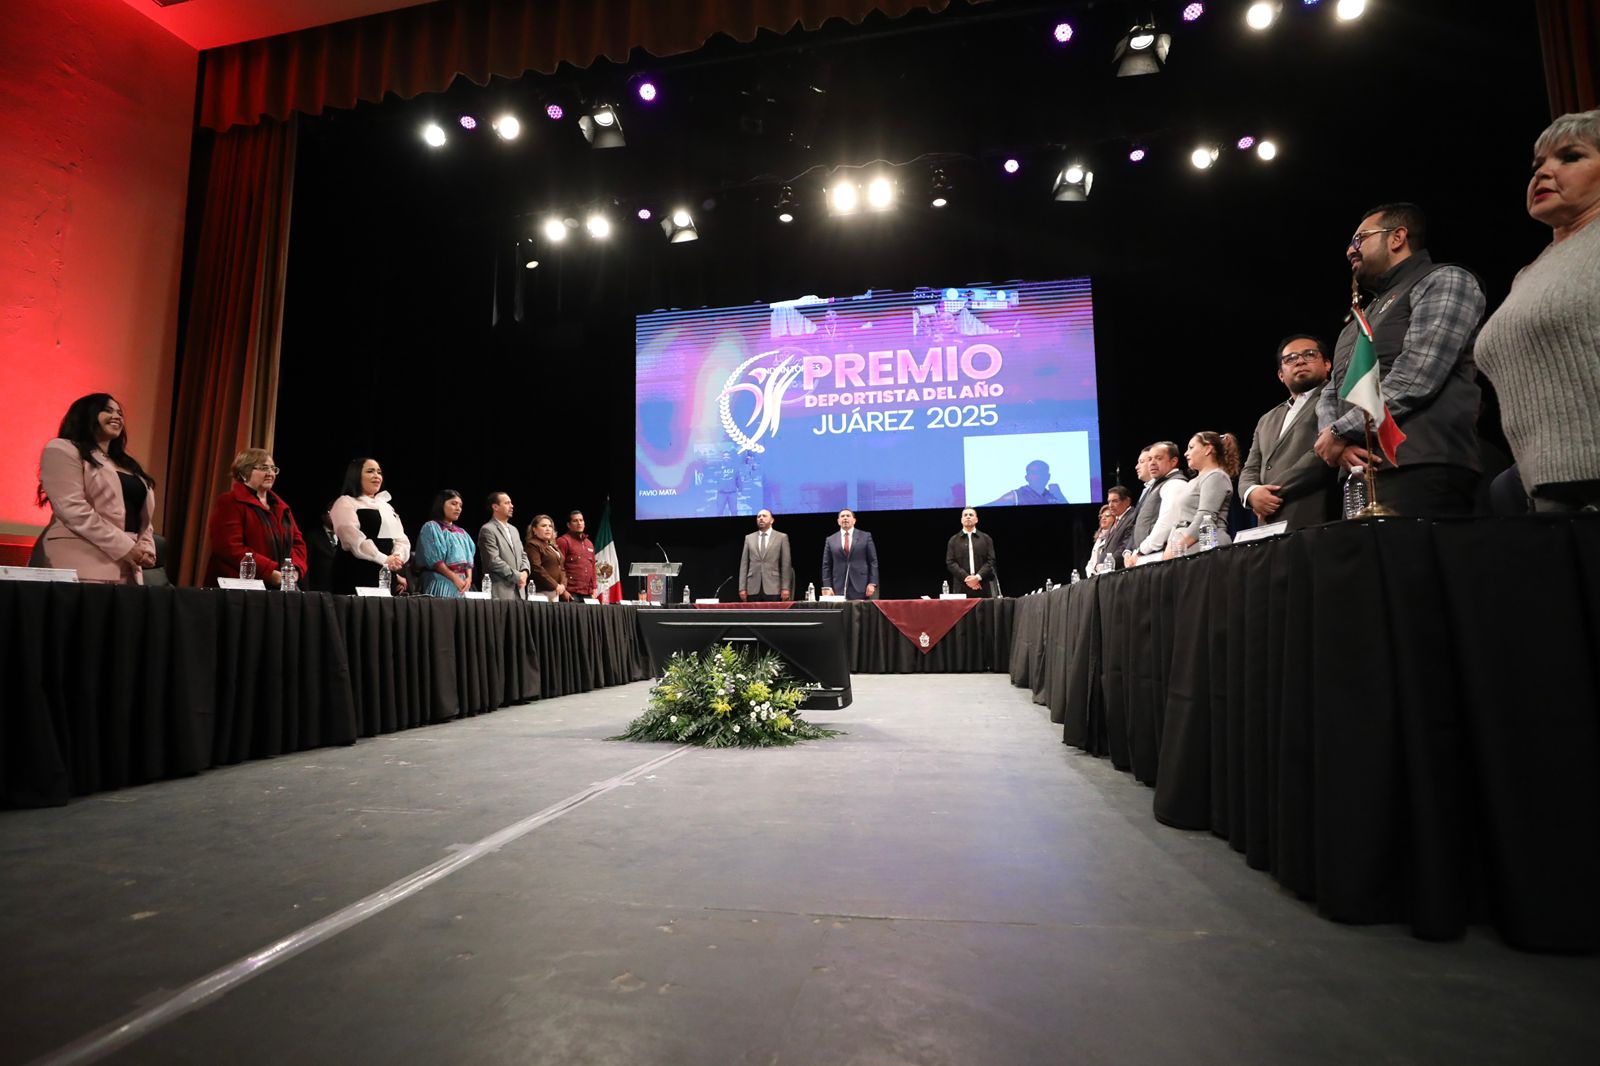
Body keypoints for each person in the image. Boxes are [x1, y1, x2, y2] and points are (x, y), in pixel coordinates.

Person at [1315, 202, 1487, 517]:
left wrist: (1340, 432)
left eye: (1360, 239)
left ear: (1397, 238)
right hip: (1358, 476)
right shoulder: (1357, 320)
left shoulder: (1445, 279)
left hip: (1421, 466)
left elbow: (1417, 376)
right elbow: (1331, 392)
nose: (1350, 250)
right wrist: (1333, 438)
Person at [1475, 110, 1600, 512]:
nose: (1543, 173)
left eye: (1570, 157)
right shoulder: (1530, 272)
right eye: (1538, 165)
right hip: (1547, 487)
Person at [35, 393, 156, 584]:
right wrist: (127, 547)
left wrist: (146, 547)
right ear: (86, 415)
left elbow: (141, 515)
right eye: (107, 410)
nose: (117, 416)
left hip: (128, 566)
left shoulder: (127, 463)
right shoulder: (62, 449)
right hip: (78, 561)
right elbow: (73, 509)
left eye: (119, 413)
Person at [1238, 334, 1339, 530]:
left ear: (1327, 364)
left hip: (1317, 517)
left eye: (1309, 354)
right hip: (1269, 523)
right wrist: (1251, 493)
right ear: (1281, 375)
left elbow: (1325, 450)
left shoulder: (1336, 398)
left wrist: (1269, 494)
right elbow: (1250, 467)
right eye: (1290, 358)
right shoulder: (1266, 419)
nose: (1300, 361)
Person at [203, 448, 308, 587]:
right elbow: (229, 548)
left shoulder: (281, 507)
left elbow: (298, 544)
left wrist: (294, 570)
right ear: (244, 473)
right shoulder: (230, 502)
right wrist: (270, 572)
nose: (270, 473)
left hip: (281, 587)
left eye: (273, 469)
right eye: (264, 468)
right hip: (239, 587)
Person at [329, 457, 410, 594]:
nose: (377, 476)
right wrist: (383, 559)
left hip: (384, 575)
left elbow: (401, 538)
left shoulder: (386, 506)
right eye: (370, 471)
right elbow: (352, 539)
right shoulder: (346, 502)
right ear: (356, 475)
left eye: (379, 472)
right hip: (356, 572)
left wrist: (397, 557)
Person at [1165, 432, 1241, 558]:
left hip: (1206, 547)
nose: (1186, 453)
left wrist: (1178, 547)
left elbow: (1206, 516)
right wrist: (1171, 544)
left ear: (1208, 449)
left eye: (1191, 447)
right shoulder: (1193, 481)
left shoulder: (1216, 476)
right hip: (1186, 547)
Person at [1124, 442, 1188, 566]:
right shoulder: (1158, 485)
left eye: (1158, 458)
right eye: (1150, 459)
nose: (1152, 463)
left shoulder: (1174, 484)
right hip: (1148, 557)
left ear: (1173, 461)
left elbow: (1166, 524)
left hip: (1160, 558)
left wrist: (1141, 551)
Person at [414, 490, 475, 597]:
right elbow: (435, 561)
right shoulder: (431, 527)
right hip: (440, 580)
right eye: (454, 504)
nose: (458, 508)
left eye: (460, 505)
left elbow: (469, 561)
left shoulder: (462, 533)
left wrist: (469, 579)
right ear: (441, 505)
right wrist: (455, 579)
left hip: (462, 583)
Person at [477, 491, 530, 600]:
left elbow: (523, 555)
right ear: (495, 507)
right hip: (500, 591)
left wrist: (525, 572)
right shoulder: (488, 529)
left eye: (511, 503)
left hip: (520, 591)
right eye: (507, 503)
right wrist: (517, 576)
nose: (512, 506)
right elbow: (493, 561)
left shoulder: (514, 530)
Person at [820, 508, 878, 600]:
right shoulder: (830, 540)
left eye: (848, 516)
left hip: (861, 585)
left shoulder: (865, 536)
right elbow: (826, 565)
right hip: (838, 587)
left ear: (854, 520)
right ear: (838, 521)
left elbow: (873, 561)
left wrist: (872, 583)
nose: (845, 518)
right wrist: (827, 586)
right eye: (842, 516)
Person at [738, 509, 792, 602]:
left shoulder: (781, 537)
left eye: (764, 516)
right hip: (752, 588)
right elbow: (744, 565)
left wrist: (785, 588)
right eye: (758, 516)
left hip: (774, 587)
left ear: (772, 520)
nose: (761, 518)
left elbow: (785, 565)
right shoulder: (749, 538)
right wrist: (742, 588)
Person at [946, 507, 997, 597]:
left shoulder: (986, 538)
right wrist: (967, 578)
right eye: (965, 515)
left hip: (983, 585)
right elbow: (950, 562)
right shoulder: (953, 540)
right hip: (961, 586)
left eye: (971, 515)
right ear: (961, 520)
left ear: (976, 519)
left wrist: (977, 577)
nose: (968, 517)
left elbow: (991, 560)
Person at [525, 514, 569, 601]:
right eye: (544, 526)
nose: (548, 529)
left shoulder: (552, 546)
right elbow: (536, 568)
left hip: (555, 591)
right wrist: (555, 585)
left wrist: (563, 585)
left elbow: (562, 568)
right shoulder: (532, 544)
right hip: (540, 592)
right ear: (534, 529)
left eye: (550, 526)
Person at [986, 460, 1068, 506]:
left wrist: (1059, 495)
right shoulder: (1017, 495)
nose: (1037, 476)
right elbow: (987, 507)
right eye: (1033, 473)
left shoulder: (1054, 495)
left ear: (1048, 476)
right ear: (1027, 477)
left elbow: (1070, 514)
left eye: (1040, 472)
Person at [556, 510, 597, 599]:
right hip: (570, 592)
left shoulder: (589, 543)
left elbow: (593, 567)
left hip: (588, 592)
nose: (579, 523)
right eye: (575, 521)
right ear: (568, 525)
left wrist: (594, 588)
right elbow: (558, 567)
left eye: (581, 520)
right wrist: (563, 591)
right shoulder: (563, 541)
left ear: (584, 523)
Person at [1103, 485, 1137, 562]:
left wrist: (1108, 563)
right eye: (1109, 501)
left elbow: (1125, 546)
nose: (1110, 505)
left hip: (1120, 566)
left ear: (1127, 501)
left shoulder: (1132, 517)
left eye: (1115, 501)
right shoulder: (1117, 519)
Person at [1086, 505, 1117, 575]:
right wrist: (1090, 574)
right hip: (1094, 576)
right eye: (1101, 516)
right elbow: (1091, 561)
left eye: (1107, 515)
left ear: (1114, 518)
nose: (1103, 518)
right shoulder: (1099, 538)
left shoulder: (1115, 536)